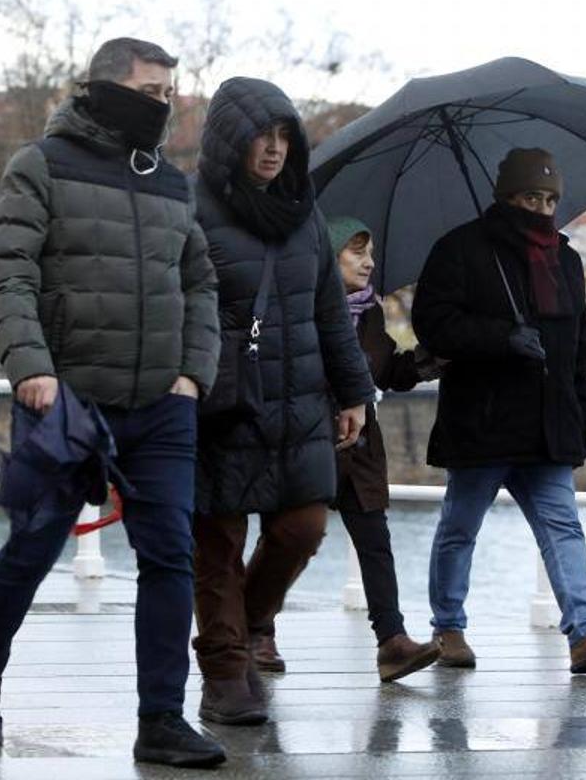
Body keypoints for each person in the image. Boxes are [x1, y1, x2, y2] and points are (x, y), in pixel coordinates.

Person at [0, 38, 225, 768]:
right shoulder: (38, 165)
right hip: (66, 399)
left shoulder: (172, 183)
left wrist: (193, 373)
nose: (163, 105)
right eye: (150, 91)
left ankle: (161, 720)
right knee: (33, 551)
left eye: (171, 92)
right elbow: (8, 272)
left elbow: (200, 283)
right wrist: (32, 368)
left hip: (161, 405)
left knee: (170, 557)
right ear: (103, 88)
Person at [412, 147, 586, 674]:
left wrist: (584, 416)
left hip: (548, 424)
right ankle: (448, 627)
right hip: (484, 420)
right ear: (506, 197)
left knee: (564, 527)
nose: (540, 208)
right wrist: (502, 337)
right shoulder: (460, 250)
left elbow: (579, 348)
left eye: (548, 199)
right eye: (529, 197)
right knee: (460, 526)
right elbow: (434, 323)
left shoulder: (565, 258)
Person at [191, 76, 375, 725]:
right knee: (216, 541)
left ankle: (248, 621)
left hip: (299, 402)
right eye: (258, 137)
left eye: (282, 138)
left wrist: (354, 392)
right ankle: (223, 674)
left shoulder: (304, 212)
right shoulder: (192, 209)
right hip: (223, 404)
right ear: (228, 140)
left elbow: (331, 314)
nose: (272, 150)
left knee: (303, 528)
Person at [259, 216, 443, 682]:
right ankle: (258, 632)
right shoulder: (298, 310)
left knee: (375, 543)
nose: (369, 262)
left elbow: (381, 372)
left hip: (359, 447)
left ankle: (392, 642)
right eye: (356, 252)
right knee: (289, 540)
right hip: (308, 440)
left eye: (371, 252)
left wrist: (430, 359)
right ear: (330, 256)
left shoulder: (373, 312)